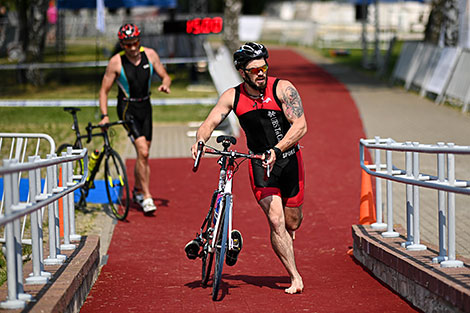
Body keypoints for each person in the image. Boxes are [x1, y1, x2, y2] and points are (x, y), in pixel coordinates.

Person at [189, 42, 306, 294]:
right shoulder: (233, 96)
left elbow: (301, 125)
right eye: (254, 70)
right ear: (242, 72)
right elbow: (210, 122)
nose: (261, 72)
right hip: (260, 164)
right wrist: (200, 139)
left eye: (264, 67)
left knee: (292, 222)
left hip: (288, 161)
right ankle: (295, 276)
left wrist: (277, 149)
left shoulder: (283, 89)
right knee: (276, 220)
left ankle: (290, 230)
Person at [99, 23, 171, 214]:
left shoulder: (151, 54)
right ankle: (146, 196)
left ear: (139, 41)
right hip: (127, 108)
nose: (131, 48)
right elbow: (103, 91)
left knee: (143, 154)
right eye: (127, 44)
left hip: (146, 107)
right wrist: (104, 116)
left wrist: (165, 84)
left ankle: (138, 190)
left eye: (134, 43)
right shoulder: (116, 62)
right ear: (121, 45)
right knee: (143, 151)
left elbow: (165, 76)